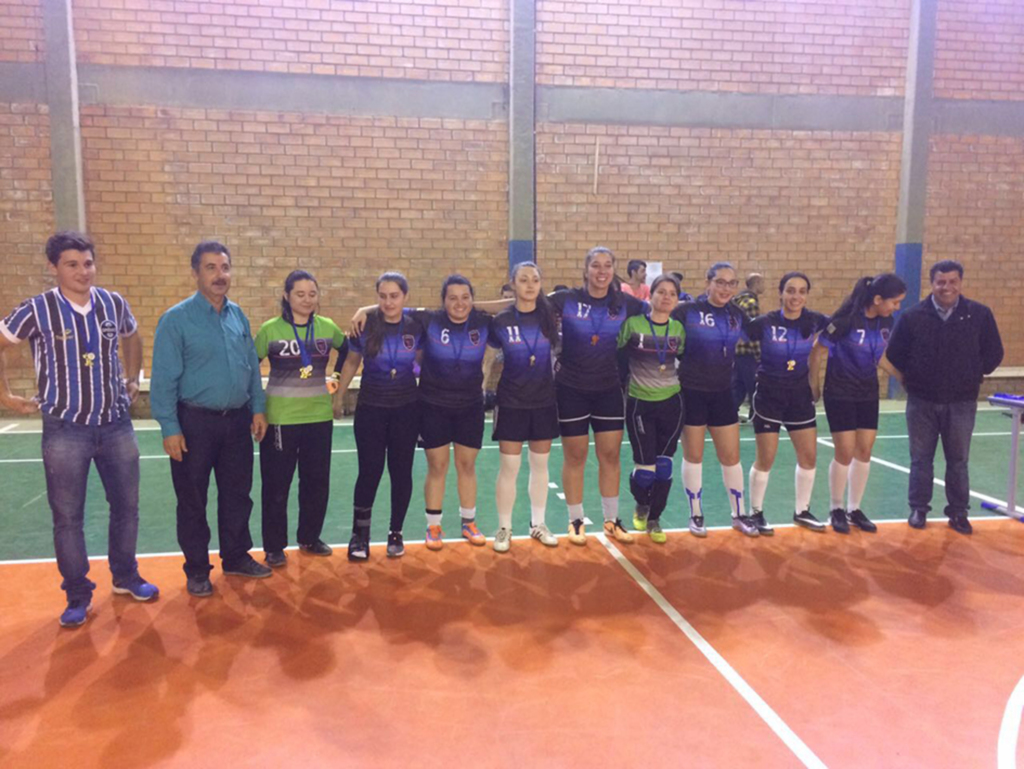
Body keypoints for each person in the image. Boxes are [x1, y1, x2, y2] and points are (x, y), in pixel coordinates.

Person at [0, 231, 157, 627]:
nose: (82, 271)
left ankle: (125, 576)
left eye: (87, 263)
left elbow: (132, 335)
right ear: (55, 267)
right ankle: (77, 593)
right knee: (68, 516)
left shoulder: (112, 303)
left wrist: (133, 377)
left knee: (127, 506)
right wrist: (4, 396)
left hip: (116, 423)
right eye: (72, 264)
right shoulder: (37, 309)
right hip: (65, 427)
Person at [151, 241, 270, 597]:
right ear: (195, 273)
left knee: (237, 494)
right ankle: (198, 569)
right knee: (192, 499)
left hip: (236, 423)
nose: (220, 275)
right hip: (194, 424)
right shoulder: (176, 320)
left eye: (225, 268)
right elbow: (163, 380)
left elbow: (251, 368)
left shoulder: (238, 316)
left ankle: (235, 556)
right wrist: (170, 427)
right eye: (211, 268)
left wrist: (257, 407)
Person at [885, 260, 1003, 534]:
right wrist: (913, 380)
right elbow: (895, 353)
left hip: (962, 401)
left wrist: (973, 373)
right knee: (920, 459)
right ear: (932, 283)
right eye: (941, 282)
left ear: (960, 283)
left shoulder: (979, 315)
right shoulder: (913, 316)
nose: (946, 287)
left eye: (952, 281)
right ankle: (918, 509)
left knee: (958, 460)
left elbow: (994, 352)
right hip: (922, 401)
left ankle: (959, 513)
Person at [549, 247, 648, 545]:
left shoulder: (626, 304)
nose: (601, 271)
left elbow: (658, 311)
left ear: (613, 270)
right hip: (571, 388)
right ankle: (575, 520)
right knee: (575, 456)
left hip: (608, 389)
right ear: (585, 269)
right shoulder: (565, 300)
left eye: (607, 266)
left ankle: (611, 520)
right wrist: (473, 306)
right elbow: (525, 303)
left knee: (610, 455)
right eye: (595, 265)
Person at [254, 270, 347, 567]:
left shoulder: (327, 327)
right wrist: (256, 409)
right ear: (286, 296)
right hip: (280, 420)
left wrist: (335, 377)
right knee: (277, 485)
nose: (307, 300)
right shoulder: (270, 330)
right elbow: (248, 367)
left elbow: (348, 350)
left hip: (319, 417)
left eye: (312, 294)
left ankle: (309, 537)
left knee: (316, 482)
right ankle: (273, 546)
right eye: (300, 294)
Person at [335, 272, 424, 561]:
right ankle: (359, 535)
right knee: (369, 471)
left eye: (394, 295)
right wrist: (338, 396)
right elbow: (350, 362)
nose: (388, 302)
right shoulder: (365, 325)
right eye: (382, 296)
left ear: (405, 297)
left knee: (401, 473)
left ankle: (395, 533)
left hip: (407, 410)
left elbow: (424, 361)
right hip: (371, 409)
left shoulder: (416, 325)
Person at [811, 273, 906, 534]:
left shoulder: (887, 321)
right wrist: (814, 385)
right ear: (877, 299)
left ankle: (854, 508)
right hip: (840, 391)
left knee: (864, 450)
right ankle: (836, 508)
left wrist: (901, 377)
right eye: (894, 302)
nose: (897, 307)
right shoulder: (844, 321)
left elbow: (879, 356)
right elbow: (817, 350)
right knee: (845, 450)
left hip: (867, 392)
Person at [409, 275, 491, 550]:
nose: (459, 303)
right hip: (433, 404)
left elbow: (513, 303)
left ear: (472, 299)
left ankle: (469, 523)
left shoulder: (482, 322)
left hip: (470, 405)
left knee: (467, 465)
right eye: (452, 297)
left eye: (465, 297)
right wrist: (363, 310)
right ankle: (433, 526)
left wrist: (481, 304)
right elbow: (391, 306)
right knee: (438, 466)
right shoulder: (429, 320)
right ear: (443, 300)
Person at [671, 262, 752, 537]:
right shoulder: (687, 312)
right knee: (693, 456)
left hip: (722, 394)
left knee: (731, 456)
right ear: (708, 282)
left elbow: (761, 333)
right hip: (691, 392)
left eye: (731, 283)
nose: (726, 288)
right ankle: (696, 515)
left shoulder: (737, 315)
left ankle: (739, 514)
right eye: (720, 282)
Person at [745, 272, 828, 535]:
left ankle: (802, 511)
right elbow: (735, 340)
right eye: (790, 291)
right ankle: (756, 513)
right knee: (766, 459)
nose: (796, 296)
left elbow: (843, 326)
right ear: (781, 293)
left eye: (802, 291)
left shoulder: (816, 321)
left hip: (799, 396)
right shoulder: (764, 323)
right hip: (769, 396)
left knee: (809, 457)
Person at [488, 261, 560, 551]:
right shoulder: (501, 320)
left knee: (540, 465)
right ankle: (504, 528)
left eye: (535, 280)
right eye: (523, 280)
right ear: (512, 284)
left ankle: (538, 524)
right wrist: (482, 386)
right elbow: (488, 357)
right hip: (512, 401)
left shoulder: (550, 316)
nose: (530, 285)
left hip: (543, 400)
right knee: (510, 466)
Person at [618, 274, 686, 544]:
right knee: (645, 471)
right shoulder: (633, 325)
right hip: (639, 403)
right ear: (650, 295)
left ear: (677, 300)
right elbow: (616, 352)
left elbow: (684, 357)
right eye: (661, 291)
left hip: (672, 402)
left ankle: (655, 518)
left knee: (664, 467)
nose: (666, 297)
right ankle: (641, 502)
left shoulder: (679, 330)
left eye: (672, 293)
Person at [732, 273, 764, 422]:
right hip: (748, 352)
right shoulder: (751, 303)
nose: (763, 285)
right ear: (756, 283)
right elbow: (753, 332)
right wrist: (759, 355)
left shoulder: (738, 301)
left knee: (738, 386)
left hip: (737, 351)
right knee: (755, 386)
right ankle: (756, 416)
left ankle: (729, 413)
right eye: (762, 282)